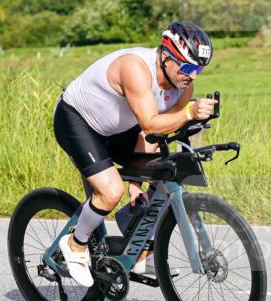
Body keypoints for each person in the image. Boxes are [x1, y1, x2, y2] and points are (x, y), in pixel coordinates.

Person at [52, 21, 217, 286]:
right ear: (166, 56)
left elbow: (151, 134)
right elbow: (151, 122)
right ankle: (75, 244)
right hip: (78, 121)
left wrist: (137, 183)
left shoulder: (184, 87)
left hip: (121, 128)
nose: (193, 76)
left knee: (164, 173)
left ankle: (141, 250)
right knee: (109, 192)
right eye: (187, 67)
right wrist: (188, 113)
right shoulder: (135, 68)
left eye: (198, 69)